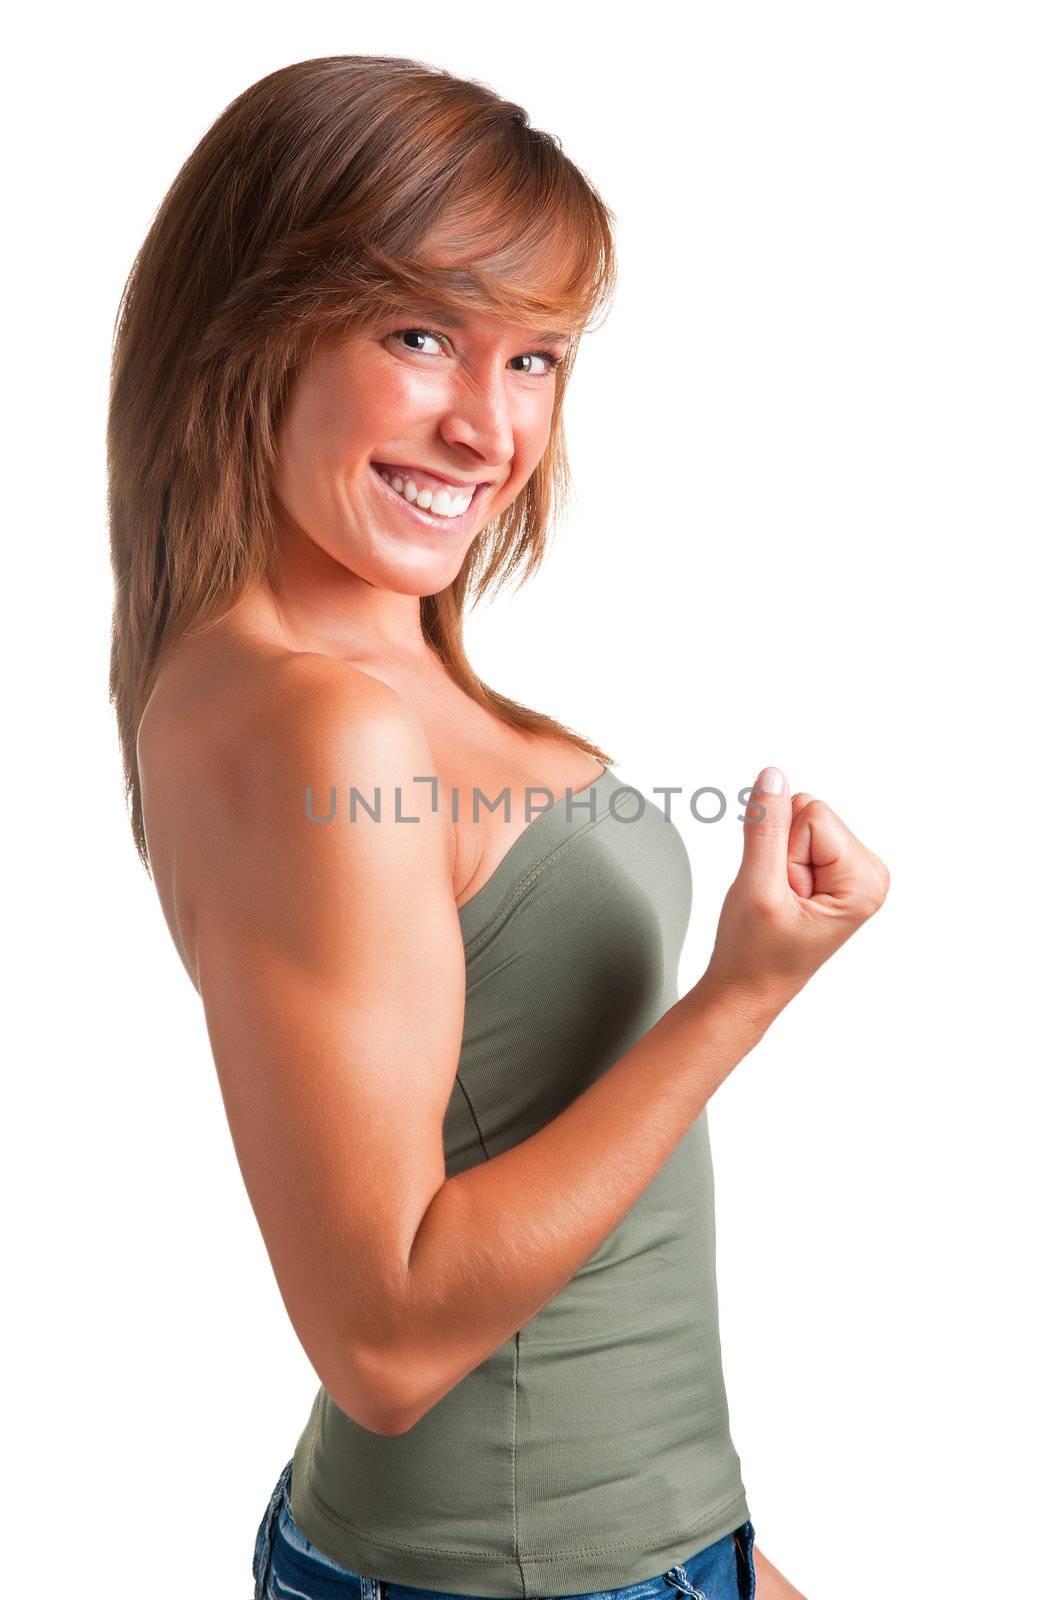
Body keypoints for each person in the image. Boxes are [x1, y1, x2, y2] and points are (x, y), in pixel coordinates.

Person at [108, 55, 889, 1600]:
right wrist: (742, 992)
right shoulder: (315, 716)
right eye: (420, 336)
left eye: (535, 358)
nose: (488, 426)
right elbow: (386, 1338)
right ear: (248, 330)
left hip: (622, 1544)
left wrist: (716, 1554)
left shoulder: (351, 669)